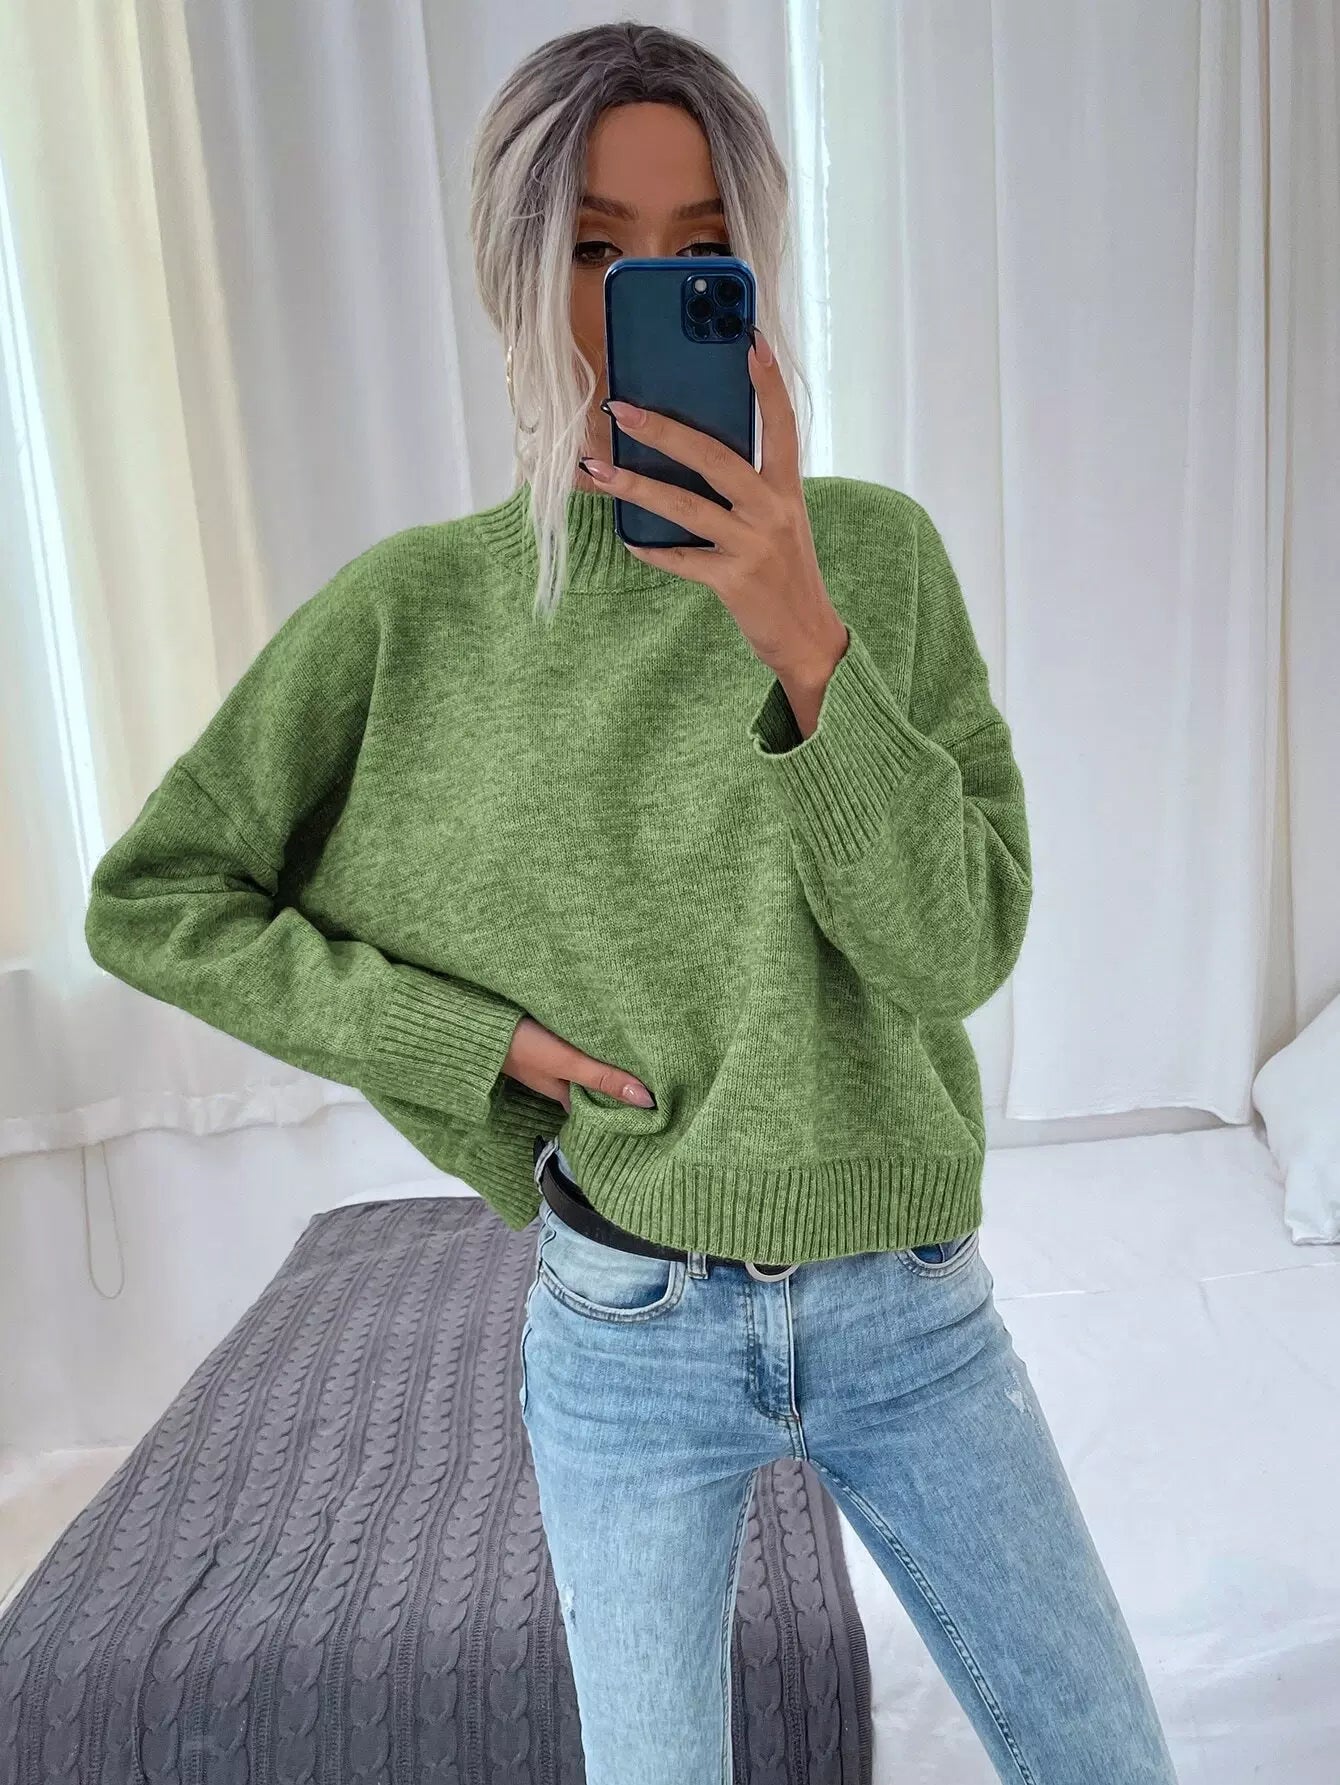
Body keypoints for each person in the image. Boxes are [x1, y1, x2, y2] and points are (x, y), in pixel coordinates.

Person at [83, 20, 1179, 1785]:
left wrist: (801, 634)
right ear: (515, 273)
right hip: (627, 1331)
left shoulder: (875, 562)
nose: (640, 296)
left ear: (751, 278)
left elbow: (954, 949)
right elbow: (158, 896)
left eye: (698, 254)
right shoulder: (418, 612)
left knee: (1113, 1760)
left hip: (909, 1310)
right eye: (595, 248)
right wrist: (469, 1041)